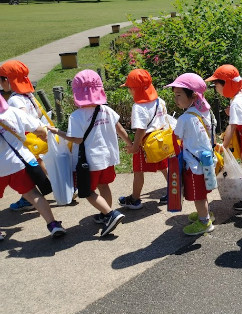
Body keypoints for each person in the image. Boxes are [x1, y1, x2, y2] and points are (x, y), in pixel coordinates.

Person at [48, 70, 130, 237]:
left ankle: (110, 214)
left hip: (90, 161)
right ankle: (105, 214)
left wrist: (58, 132)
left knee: (87, 191)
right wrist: (130, 143)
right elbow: (119, 128)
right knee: (104, 185)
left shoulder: (77, 116)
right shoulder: (106, 110)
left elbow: (76, 139)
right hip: (108, 158)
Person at [0, 93, 66, 238]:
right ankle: (53, 224)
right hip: (19, 163)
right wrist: (44, 136)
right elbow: (39, 129)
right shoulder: (13, 112)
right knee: (33, 194)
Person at [206, 64, 242, 211]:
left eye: (216, 84)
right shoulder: (241, 94)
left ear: (227, 84)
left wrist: (223, 145)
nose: (215, 88)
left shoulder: (236, 103)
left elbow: (232, 127)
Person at [166, 73, 215, 236]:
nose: (176, 99)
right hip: (206, 161)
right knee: (202, 191)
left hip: (194, 165)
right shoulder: (205, 111)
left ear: (193, 95)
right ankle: (206, 213)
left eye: (179, 95)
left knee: (198, 195)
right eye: (175, 95)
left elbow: (177, 137)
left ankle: (204, 221)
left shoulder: (185, 118)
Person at [0, 60, 50, 211]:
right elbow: (39, 112)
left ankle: (29, 198)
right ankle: (56, 185)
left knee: (29, 171)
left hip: (27, 139)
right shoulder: (28, 94)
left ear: (7, 80)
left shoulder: (15, 99)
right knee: (35, 167)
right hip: (38, 133)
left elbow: (20, 117)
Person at [118, 69, 169, 210]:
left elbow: (141, 129)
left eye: (129, 88)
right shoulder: (160, 101)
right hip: (160, 139)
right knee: (164, 166)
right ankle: (174, 190)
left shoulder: (139, 107)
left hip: (145, 142)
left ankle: (135, 199)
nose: (129, 91)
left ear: (135, 90)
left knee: (138, 171)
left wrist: (135, 146)